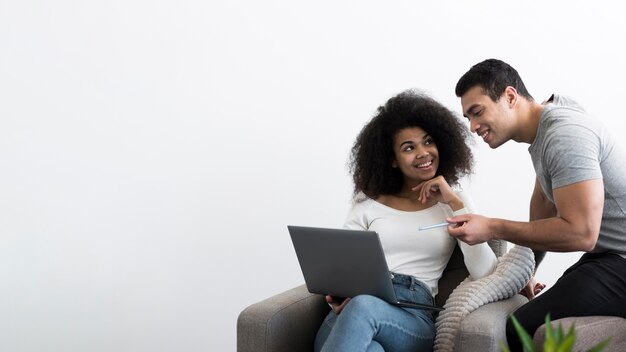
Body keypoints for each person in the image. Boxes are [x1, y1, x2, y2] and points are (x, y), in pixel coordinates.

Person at [449, 58, 626, 351]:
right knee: (530, 320)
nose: (472, 126)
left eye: (476, 112)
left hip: (620, 259)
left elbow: (582, 233)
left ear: (509, 96)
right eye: (468, 117)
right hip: (608, 256)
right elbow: (544, 200)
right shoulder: (546, 122)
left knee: (521, 328)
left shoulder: (564, 134)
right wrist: (528, 270)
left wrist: (492, 227)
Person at [313, 90, 498, 352]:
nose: (423, 153)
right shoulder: (366, 202)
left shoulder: (454, 199)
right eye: (409, 148)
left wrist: (455, 203)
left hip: (412, 316)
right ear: (392, 160)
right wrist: (336, 298)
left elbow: (485, 270)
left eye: (428, 142)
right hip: (351, 313)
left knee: (363, 308)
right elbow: (344, 267)